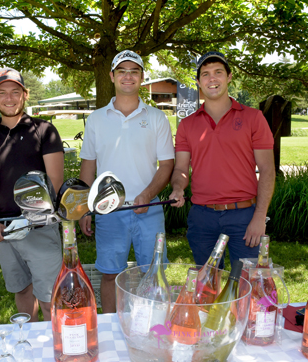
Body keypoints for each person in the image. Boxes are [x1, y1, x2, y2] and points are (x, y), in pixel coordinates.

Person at [79, 50, 175, 313]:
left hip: (150, 208)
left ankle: (153, 327)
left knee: (155, 274)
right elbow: (88, 164)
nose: (128, 76)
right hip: (108, 209)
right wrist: (84, 207)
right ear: (112, 76)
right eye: (122, 71)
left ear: (142, 77)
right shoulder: (97, 119)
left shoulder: (156, 117)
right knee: (110, 274)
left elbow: (167, 164)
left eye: (134, 71)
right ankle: (111, 329)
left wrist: (148, 193)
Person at [169, 51, 275, 267]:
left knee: (246, 287)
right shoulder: (187, 125)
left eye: (218, 72)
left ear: (229, 77)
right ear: (198, 82)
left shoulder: (253, 118)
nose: (212, 79)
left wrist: (259, 217)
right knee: (209, 288)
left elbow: (267, 170)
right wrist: (178, 188)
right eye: (206, 74)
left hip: (244, 216)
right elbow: (181, 168)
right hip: (202, 218)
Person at [0, 68, 64, 322]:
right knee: (22, 290)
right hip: (5, 230)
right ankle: (30, 347)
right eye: (2, 92)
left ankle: (56, 349)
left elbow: (55, 182)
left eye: (15, 92)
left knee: (50, 300)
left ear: (25, 95)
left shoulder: (45, 130)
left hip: (40, 227)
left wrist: (35, 217)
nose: (9, 98)